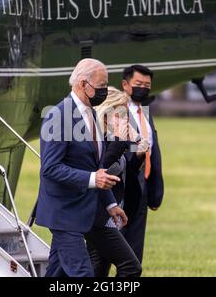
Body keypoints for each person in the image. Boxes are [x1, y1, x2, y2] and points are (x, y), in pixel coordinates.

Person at [35, 58, 126, 277]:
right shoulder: (58, 116)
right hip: (63, 213)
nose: (105, 90)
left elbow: (94, 166)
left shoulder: (90, 113)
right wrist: (93, 179)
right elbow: (50, 168)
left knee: (57, 274)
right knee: (83, 274)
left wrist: (110, 203)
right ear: (82, 84)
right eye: (101, 85)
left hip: (79, 213)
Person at [85, 87, 149, 277]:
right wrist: (121, 141)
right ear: (106, 112)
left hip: (110, 214)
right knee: (130, 266)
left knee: (99, 267)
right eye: (119, 113)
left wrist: (138, 153)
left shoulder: (111, 137)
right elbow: (101, 170)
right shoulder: (95, 138)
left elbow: (119, 170)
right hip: (97, 214)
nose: (124, 119)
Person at [121, 65, 165, 263]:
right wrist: (137, 152)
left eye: (147, 85)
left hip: (141, 190)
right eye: (138, 84)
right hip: (119, 191)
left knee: (134, 257)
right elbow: (115, 149)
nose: (143, 88)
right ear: (125, 84)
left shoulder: (145, 112)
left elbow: (154, 152)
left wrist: (155, 192)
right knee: (102, 257)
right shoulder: (115, 111)